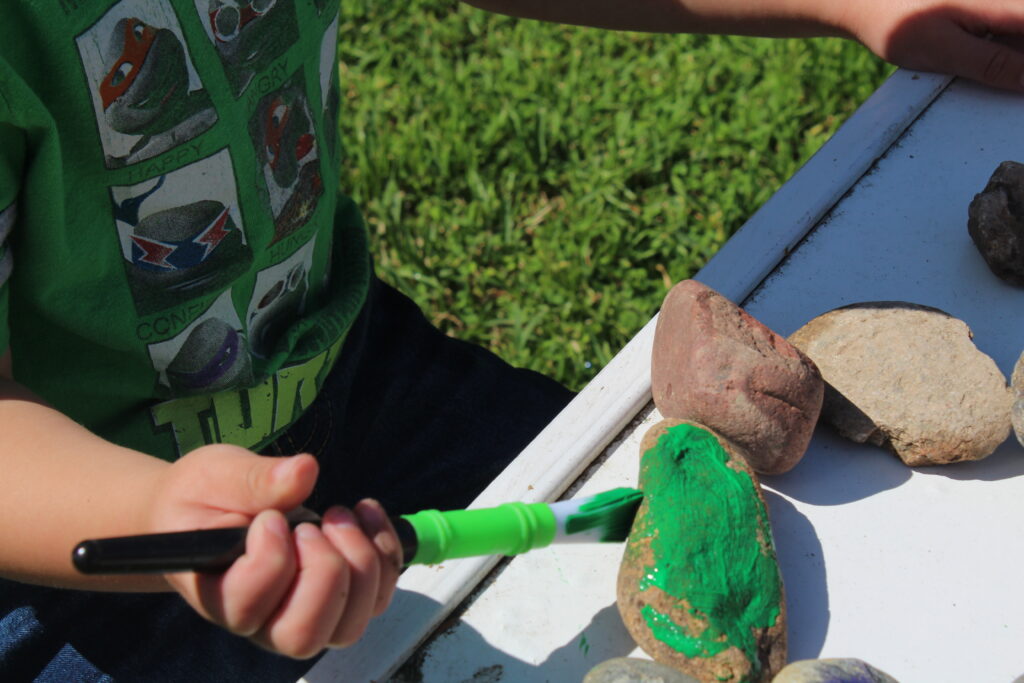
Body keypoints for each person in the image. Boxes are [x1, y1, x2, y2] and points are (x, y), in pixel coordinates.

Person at [1, 0, 1022, 680]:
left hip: (356, 363)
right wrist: (151, 510)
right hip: (131, 521)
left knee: (633, 534)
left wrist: (849, 1)